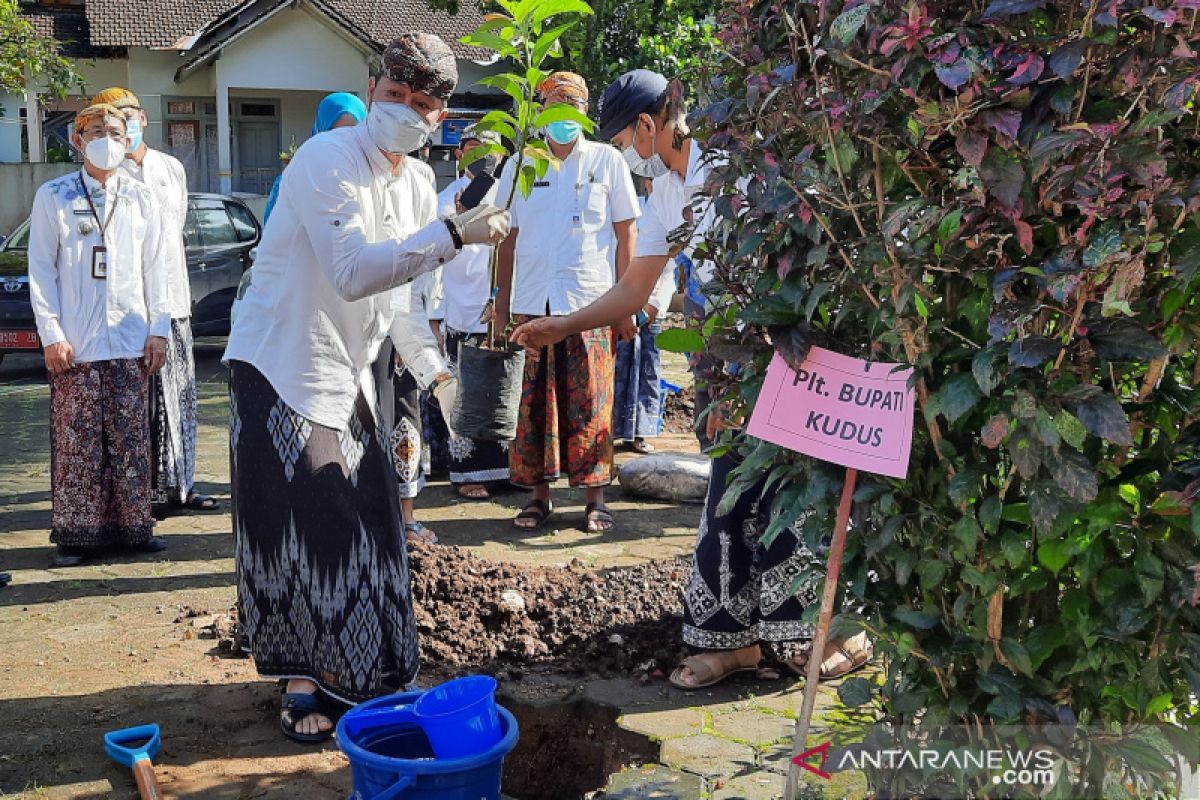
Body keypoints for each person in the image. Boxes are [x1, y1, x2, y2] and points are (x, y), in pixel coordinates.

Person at [511, 69, 871, 688]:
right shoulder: (667, 194)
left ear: (648, 125)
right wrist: (563, 324)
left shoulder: (736, 169)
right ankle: (737, 643)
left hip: (781, 356)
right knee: (731, 490)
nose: (624, 152)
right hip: (720, 365)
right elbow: (633, 288)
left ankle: (841, 631)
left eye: (623, 138)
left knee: (799, 487)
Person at [223, 32, 510, 743]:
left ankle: (369, 673)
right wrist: (452, 233)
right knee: (311, 518)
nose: (404, 113)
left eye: (422, 104)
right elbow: (352, 270)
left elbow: (404, 301)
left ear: (438, 118)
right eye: (395, 95)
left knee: (378, 516)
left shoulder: (416, 182)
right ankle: (302, 678)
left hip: (352, 362)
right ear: (373, 87)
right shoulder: (327, 158)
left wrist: (440, 378)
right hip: (281, 359)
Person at [496, 72, 640, 533]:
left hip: (591, 303)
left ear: (583, 113)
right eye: (556, 106)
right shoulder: (522, 163)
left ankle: (595, 498)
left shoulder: (607, 161)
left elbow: (626, 235)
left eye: (573, 107)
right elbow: (505, 238)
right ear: (541, 113)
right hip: (531, 302)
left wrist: (626, 306)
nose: (565, 117)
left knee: (591, 402)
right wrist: (499, 310)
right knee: (533, 405)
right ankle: (539, 499)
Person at [27, 104, 171, 568]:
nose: (107, 138)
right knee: (78, 441)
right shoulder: (54, 196)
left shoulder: (141, 197)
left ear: (128, 138)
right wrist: (51, 333)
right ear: (76, 140)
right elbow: (41, 272)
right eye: (96, 131)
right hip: (76, 344)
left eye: (115, 130)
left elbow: (157, 269)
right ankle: (76, 535)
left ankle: (134, 529)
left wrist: (159, 330)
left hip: (131, 339)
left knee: (131, 438)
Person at [90, 87, 216, 516]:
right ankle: (138, 494)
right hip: (129, 310)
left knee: (180, 396)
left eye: (130, 114)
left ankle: (182, 485)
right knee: (136, 402)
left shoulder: (170, 167)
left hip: (173, 300)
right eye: (115, 118)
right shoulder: (108, 173)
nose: (125, 123)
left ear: (143, 117)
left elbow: (170, 230)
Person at [430, 124, 511, 499]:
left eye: (490, 153)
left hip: (503, 307)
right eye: (475, 151)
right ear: (461, 153)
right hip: (462, 307)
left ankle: (507, 470)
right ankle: (468, 474)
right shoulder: (446, 199)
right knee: (466, 393)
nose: (484, 160)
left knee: (503, 388)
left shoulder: (509, 193)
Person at [613, 181, 677, 454]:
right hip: (621, 305)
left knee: (646, 372)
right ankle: (611, 429)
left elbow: (669, 265)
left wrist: (651, 307)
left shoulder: (671, 213)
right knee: (616, 370)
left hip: (651, 309)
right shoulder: (631, 212)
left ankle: (639, 432)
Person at [263, 92, 367, 224]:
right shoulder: (291, 183)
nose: (342, 144)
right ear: (320, 133)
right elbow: (273, 236)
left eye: (350, 135)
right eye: (334, 135)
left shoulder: (372, 183)